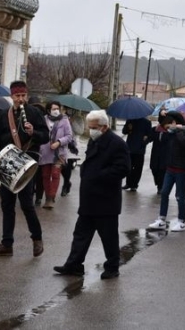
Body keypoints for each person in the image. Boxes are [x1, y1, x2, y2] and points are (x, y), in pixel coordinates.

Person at [53, 110, 130, 279]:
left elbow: (122, 168)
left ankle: (112, 267)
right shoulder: (94, 141)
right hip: (89, 198)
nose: (91, 130)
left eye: (94, 127)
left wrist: (98, 176)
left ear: (104, 127)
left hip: (105, 199)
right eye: (90, 127)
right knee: (81, 234)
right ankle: (73, 265)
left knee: (108, 236)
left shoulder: (117, 144)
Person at [0, 81, 49, 257]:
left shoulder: (35, 113)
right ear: (12, 96)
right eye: (17, 96)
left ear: (26, 96)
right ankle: (7, 243)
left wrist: (33, 132)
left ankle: (37, 239)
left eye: (23, 96)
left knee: (26, 203)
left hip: (27, 160)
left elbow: (45, 137)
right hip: (8, 161)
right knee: (7, 203)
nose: (20, 99)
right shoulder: (3, 115)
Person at [147, 111, 185, 232]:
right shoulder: (169, 133)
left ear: (174, 122)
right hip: (170, 168)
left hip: (181, 169)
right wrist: (163, 114)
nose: (167, 127)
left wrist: (178, 130)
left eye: (169, 124)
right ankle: (161, 219)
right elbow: (161, 131)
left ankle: (182, 221)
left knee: (179, 196)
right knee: (164, 192)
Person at [38, 101, 73, 209]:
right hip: (45, 151)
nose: (56, 110)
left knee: (56, 174)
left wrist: (59, 142)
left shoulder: (64, 120)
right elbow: (40, 133)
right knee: (46, 175)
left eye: (57, 108)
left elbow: (69, 136)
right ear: (48, 110)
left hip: (59, 153)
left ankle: (50, 198)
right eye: (53, 109)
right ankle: (47, 195)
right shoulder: (43, 119)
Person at [121, 117, 151, 192]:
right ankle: (128, 183)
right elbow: (124, 132)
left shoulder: (147, 122)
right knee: (129, 166)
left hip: (140, 149)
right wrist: (128, 128)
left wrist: (144, 141)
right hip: (130, 148)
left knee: (138, 168)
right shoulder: (130, 120)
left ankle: (134, 185)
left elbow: (149, 135)